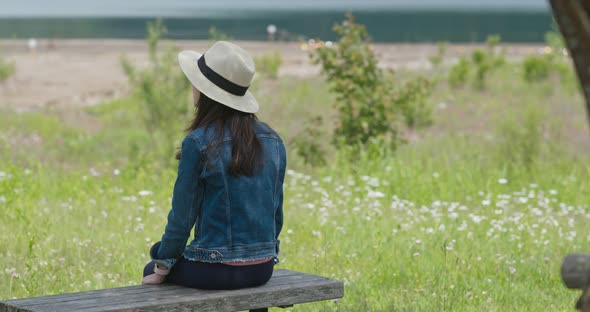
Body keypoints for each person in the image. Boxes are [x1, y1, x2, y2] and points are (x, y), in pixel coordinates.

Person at [141, 41, 286, 290]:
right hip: (262, 269)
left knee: (152, 263)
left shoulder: (197, 143)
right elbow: (276, 213)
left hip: (215, 270)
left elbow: (182, 218)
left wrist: (162, 264)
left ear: (205, 91)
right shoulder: (273, 141)